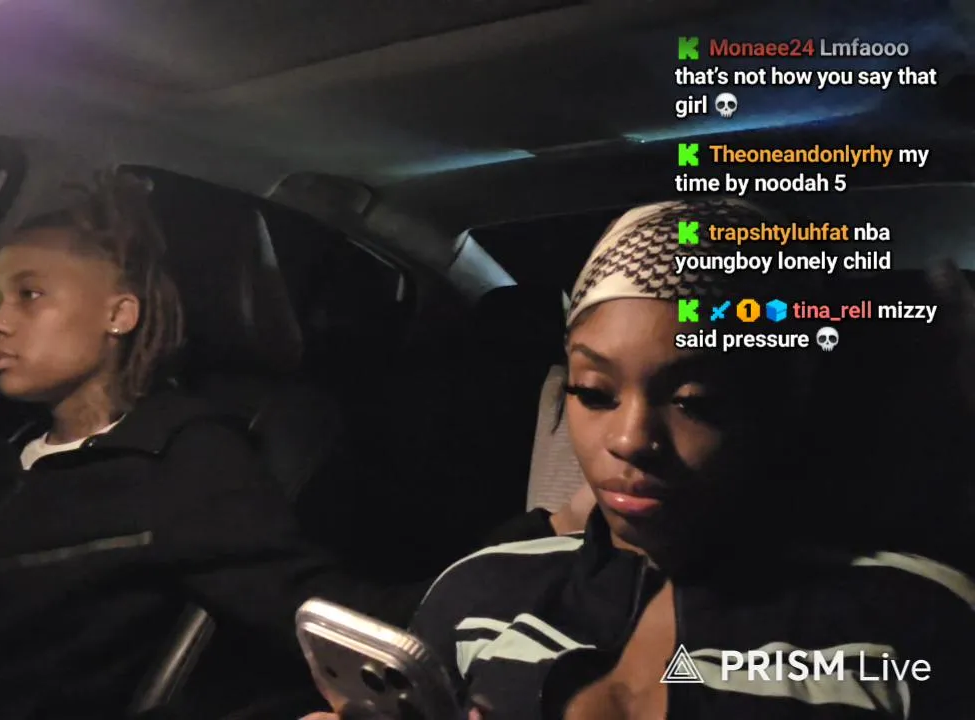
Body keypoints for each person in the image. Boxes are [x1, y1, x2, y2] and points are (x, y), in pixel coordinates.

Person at [0, 169, 447, 719]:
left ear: (118, 314)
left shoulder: (179, 458)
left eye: (29, 295)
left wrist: (500, 574)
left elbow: (317, 607)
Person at [305, 198, 975, 720]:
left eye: (694, 400)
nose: (629, 439)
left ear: (780, 404)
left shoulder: (915, 621)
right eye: (594, 392)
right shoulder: (477, 592)